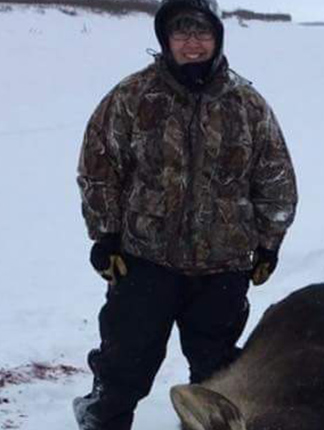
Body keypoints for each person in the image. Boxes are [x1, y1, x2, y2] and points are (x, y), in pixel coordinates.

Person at [73, 0, 298, 428]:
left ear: (217, 37)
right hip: (144, 263)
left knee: (217, 380)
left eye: (202, 34)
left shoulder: (247, 105)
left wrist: (269, 244)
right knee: (122, 369)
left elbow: (275, 179)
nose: (193, 44)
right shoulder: (133, 97)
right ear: (165, 38)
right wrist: (105, 236)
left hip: (223, 268)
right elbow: (99, 168)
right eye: (182, 33)